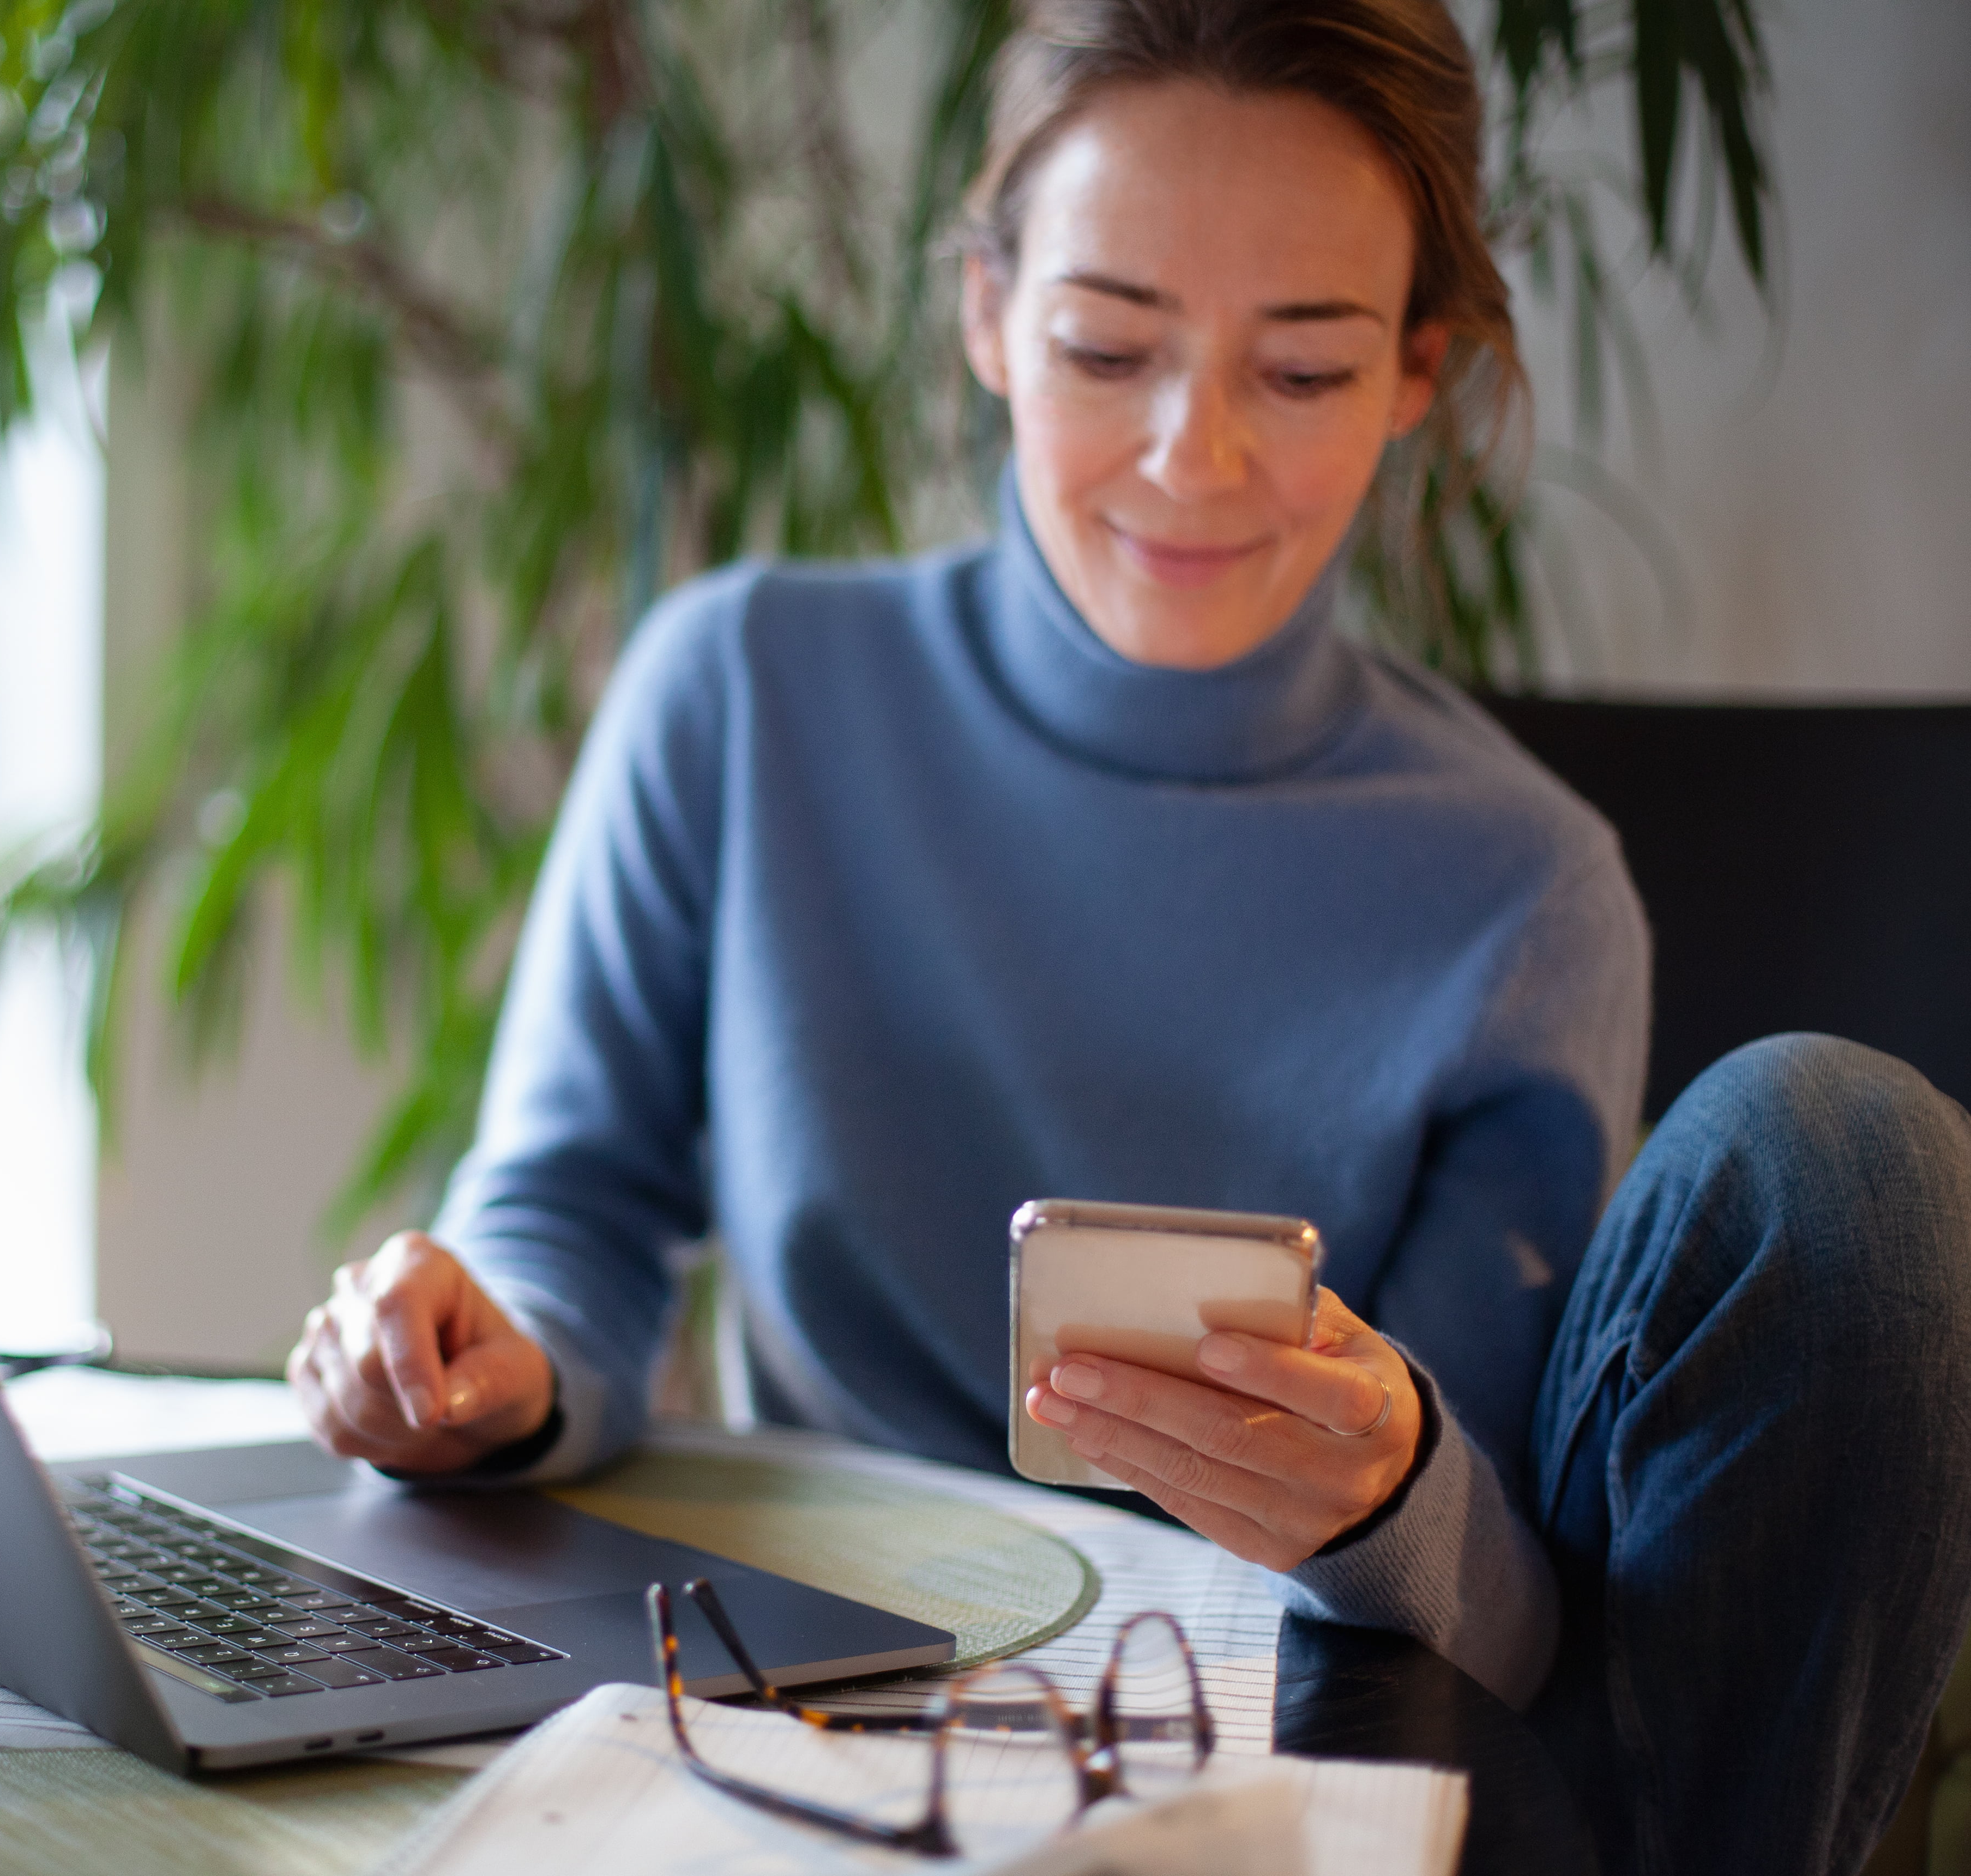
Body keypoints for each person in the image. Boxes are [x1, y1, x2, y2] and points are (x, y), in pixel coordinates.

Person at [281, 4, 1971, 1870]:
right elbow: (568, 1213)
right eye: (1107, 347)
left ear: (1415, 372)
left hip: (1293, 1736)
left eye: (1303, 371)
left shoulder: (1525, 888)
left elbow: (1509, 1635)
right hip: (845, 1704)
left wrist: (1388, 1485)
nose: (1193, 456)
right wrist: (480, 1364)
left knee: (1849, 1150)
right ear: (986, 313)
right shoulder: (745, 691)